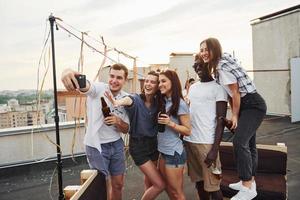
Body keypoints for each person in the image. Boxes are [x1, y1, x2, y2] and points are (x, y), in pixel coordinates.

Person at [197, 38, 267, 200]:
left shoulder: (221, 68)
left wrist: (234, 115)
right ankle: (250, 181)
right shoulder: (223, 59)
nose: (204, 53)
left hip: (252, 104)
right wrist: (236, 111)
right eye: (201, 50)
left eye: (207, 49)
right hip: (247, 104)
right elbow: (230, 93)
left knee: (239, 142)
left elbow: (235, 93)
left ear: (215, 49)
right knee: (250, 144)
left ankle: (247, 186)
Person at [61, 64, 130, 200]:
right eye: (112, 76)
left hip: (116, 144)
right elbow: (86, 86)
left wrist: (118, 121)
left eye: (119, 77)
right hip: (96, 146)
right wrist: (68, 71)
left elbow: (127, 129)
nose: (114, 80)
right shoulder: (99, 89)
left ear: (125, 80)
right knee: (101, 187)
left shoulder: (126, 98)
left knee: (118, 184)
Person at [105, 71, 165, 200]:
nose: (148, 84)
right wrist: (116, 102)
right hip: (138, 146)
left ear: (157, 86)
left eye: (153, 82)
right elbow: (128, 100)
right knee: (160, 184)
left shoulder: (158, 102)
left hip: (154, 145)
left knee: (150, 182)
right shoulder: (136, 99)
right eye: (147, 81)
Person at [184, 60, 228, 200]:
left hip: (207, 144)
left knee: (213, 187)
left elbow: (221, 121)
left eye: (201, 65)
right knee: (199, 183)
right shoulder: (193, 87)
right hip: (190, 140)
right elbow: (189, 111)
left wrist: (215, 149)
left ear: (210, 66)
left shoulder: (218, 88)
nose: (198, 67)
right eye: (195, 65)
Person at [157, 69, 191, 200]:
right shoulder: (165, 101)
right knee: (169, 189)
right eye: (159, 81)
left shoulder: (180, 104)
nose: (160, 84)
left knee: (177, 193)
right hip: (163, 151)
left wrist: (170, 123)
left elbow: (188, 130)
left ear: (173, 82)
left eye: (163, 81)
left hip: (174, 153)